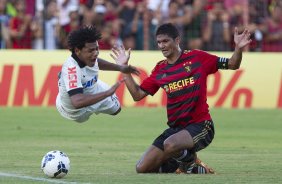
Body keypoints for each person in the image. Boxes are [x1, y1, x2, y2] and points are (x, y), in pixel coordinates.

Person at [112, 23, 251, 174]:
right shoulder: (160, 69)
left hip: (200, 125)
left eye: (165, 41)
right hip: (176, 129)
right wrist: (123, 69)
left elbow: (232, 64)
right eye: (159, 42)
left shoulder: (197, 58)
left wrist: (238, 48)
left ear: (177, 40)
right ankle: (187, 167)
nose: (161, 46)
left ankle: (190, 161)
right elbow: (137, 95)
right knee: (142, 168)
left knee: (170, 145)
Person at [56, 25, 139, 123]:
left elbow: (97, 62)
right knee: (74, 84)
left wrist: (120, 67)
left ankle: (66, 81)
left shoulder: (88, 57)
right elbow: (77, 102)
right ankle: (65, 81)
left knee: (117, 110)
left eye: (97, 49)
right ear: (77, 50)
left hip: (92, 88)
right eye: (91, 50)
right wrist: (106, 94)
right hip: (75, 112)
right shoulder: (71, 69)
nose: (96, 53)